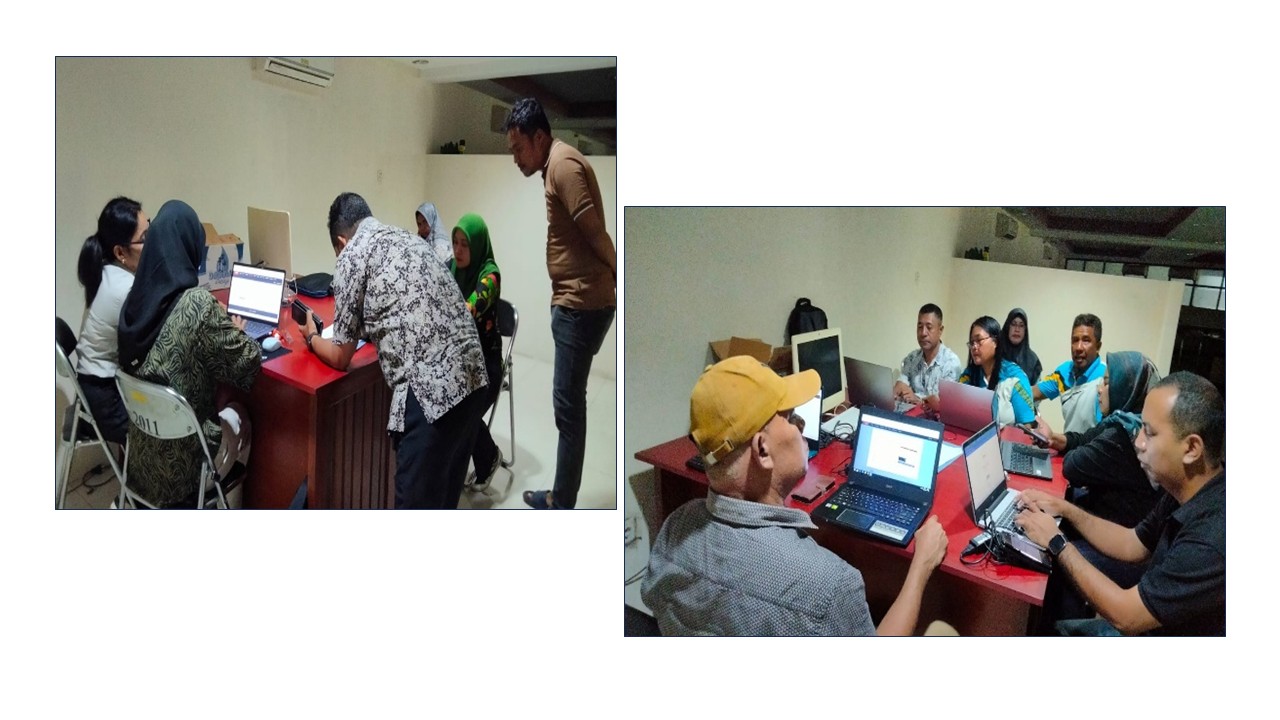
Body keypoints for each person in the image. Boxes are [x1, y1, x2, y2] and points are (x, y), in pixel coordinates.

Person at [641, 356, 950, 636]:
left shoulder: (674, 530)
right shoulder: (831, 585)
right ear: (762, 450)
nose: (801, 423)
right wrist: (921, 566)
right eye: (789, 417)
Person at [298, 192, 488, 509]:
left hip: (432, 396)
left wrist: (312, 337)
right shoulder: (408, 239)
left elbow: (340, 357)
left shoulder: (351, 254)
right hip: (474, 377)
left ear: (341, 242)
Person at [1016, 372, 1225, 636]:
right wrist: (1064, 508)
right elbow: (1131, 543)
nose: (1138, 442)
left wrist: (1056, 542)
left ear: (1192, 448)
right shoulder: (1185, 491)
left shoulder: (1213, 537)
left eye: (1149, 432)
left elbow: (1127, 616)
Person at [502, 97, 616, 510]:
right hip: (576, 301)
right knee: (569, 403)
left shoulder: (563, 166)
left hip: (580, 304)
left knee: (567, 408)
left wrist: (616, 272)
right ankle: (562, 495)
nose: (516, 158)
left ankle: (561, 501)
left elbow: (595, 232)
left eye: (519, 148)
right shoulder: (553, 166)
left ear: (539, 137)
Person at [117, 200, 260, 507]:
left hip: (141, 464)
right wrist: (236, 331)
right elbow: (248, 363)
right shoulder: (197, 304)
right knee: (240, 414)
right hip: (187, 472)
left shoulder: (133, 301)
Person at [1033, 351, 1163, 528]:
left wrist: (1079, 447)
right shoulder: (1124, 420)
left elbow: (1073, 466)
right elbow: (1083, 439)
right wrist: (1053, 438)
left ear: (1125, 388)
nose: (1099, 389)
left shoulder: (1122, 435)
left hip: (1115, 531)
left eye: (1107, 383)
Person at [74, 196, 149, 444]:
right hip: (106, 405)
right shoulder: (124, 288)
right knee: (169, 428)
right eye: (144, 238)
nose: (153, 243)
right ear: (120, 252)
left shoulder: (105, 271)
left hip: (89, 392)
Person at [451, 213, 505, 491]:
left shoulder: (490, 275)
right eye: (455, 242)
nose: (458, 250)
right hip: (458, 361)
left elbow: (469, 308)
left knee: (460, 412)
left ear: (478, 245)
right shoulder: (451, 268)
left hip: (486, 366)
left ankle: (489, 457)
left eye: (465, 244)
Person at [1033, 313, 1106, 433]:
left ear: (1098, 346)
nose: (1078, 347)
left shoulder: (1106, 378)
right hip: (1068, 443)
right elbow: (1033, 393)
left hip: (1095, 443)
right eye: (1075, 340)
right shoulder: (1064, 372)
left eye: (1086, 340)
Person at [958, 316, 1036, 426]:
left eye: (979, 340)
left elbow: (1027, 427)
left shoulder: (1016, 378)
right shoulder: (968, 375)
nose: (974, 347)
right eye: (972, 342)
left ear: (995, 342)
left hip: (1007, 437)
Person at [893, 303, 963, 415]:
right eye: (920, 327)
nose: (923, 333)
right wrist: (904, 393)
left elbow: (941, 404)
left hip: (935, 422)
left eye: (929, 327)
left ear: (940, 330)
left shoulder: (951, 362)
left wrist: (918, 400)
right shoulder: (912, 358)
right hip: (910, 418)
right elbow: (899, 388)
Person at [999, 307, 1042, 386]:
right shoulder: (995, 353)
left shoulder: (1033, 360)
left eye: (1021, 326)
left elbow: (1036, 391)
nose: (1017, 329)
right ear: (1008, 327)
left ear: (1025, 330)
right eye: (1013, 324)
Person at [414, 201, 454, 267]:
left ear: (432, 220)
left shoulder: (440, 245)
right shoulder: (418, 240)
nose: (422, 227)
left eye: (425, 222)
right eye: (419, 224)